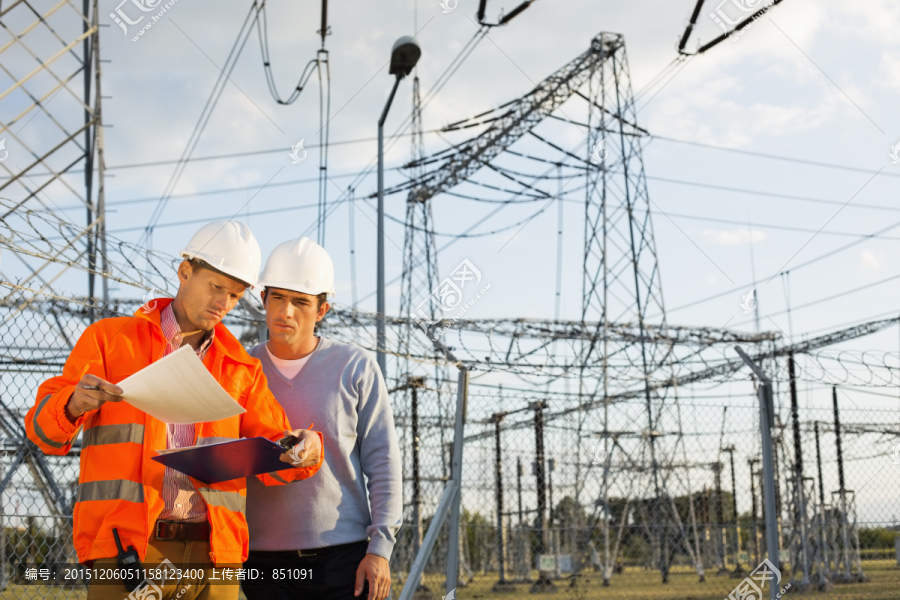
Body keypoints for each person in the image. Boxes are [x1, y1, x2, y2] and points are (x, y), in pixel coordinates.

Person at [24, 222, 324, 600]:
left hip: (216, 558)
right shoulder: (109, 341)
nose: (224, 305)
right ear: (185, 272)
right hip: (127, 553)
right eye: (216, 287)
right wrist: (70, 405)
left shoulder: (240, 368)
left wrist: (304, 450)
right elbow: (42, 434)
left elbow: (278, 457)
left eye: (234, 295)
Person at [241, 237, 402, 600]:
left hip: (345, 557)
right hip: (263, 563)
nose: (287, 312)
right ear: (263, 300)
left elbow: (383, 461)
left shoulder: (355, 367)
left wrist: (380, 549)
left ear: (322, 310)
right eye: (278, 297)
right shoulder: (239, 370)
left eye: (301, 302)